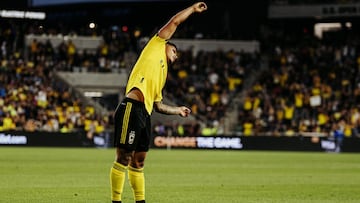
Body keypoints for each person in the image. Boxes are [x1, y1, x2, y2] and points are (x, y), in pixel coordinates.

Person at [109, 2, 208, 203]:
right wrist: (192, 9)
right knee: (124, 157)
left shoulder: (162, 76)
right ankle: (116, 201)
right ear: (168, 46)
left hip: (144, 115)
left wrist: (177, 110)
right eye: (175, 52)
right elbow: (175, 21)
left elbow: (158, 106)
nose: (176, 56)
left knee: (139, 162)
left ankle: (140, 201)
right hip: (131, 107)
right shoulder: (157, 44)